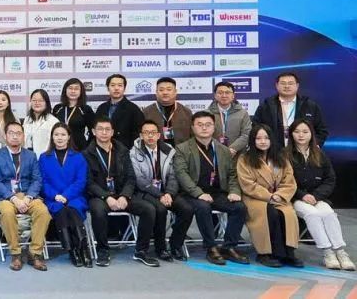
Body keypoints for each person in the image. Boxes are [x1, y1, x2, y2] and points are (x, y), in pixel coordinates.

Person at [173, 111, 250, 266]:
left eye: (208, 125)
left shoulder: (223, 150)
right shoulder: (182, 148)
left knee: (239, 207)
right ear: (192, 127)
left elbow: (232, 174)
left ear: (214, 127)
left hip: (217, 192)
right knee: (203, 207)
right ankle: (211, 248)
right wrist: (199, 193)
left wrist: (234, 191)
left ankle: (228, 247)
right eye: (200, 125)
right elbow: (181, 174)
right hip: (191, 193)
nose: (204, 128)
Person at [84, 117, 158, 267]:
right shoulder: (86, 154)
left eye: (107, 129)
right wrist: (106, 197)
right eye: (100, 129)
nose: (104, 132)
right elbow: (88, 183)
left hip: (122, 194)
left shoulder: (123, 151)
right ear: (93, 132)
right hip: (99, 196)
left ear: (112, 132)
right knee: (98, 211)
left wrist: (125, 196)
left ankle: (141, 251)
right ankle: (103, 250)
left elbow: (131, 178)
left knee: (148, 209)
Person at [287, 118, 354, 270]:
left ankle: (340, 251)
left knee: (328, 213)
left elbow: (330, 179)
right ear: (291, 134)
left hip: (317, 198)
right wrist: (302, 195)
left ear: (311, 134)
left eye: (305, 132)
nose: (301, 135)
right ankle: (328, 252)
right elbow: (284, 182)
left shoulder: (319, 154)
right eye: (297, 132)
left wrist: (316, 196)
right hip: (296, 199)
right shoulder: (285, 155)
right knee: (313, 215)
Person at [237, 124, 301, 267]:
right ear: (252, 140)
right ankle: (266, 253)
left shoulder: (281, 158)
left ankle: (289, 253)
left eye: (266, 138)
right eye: (258, 138)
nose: (263, 141)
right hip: (255, 198)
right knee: (269, 213)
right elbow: (247, 184)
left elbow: (289, 181)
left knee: (287, 214)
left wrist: (279, 195)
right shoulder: (244, 159)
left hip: (279, 197)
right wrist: (269, 196)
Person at [130, 120, 194, 262]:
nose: (150, 136)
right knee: (160, 209)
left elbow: (174, 176)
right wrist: (160, 195)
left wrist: (169, 193)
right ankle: (160, 248)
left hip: (166, 192)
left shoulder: (169, 151)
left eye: (153, 133)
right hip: (145, 192)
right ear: (141, 135)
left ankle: (175, 244)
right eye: (146, 133)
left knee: (187, 209)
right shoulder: (134, 152)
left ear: (159, 135)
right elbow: (139, 180)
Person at [0, 120, 51, 271]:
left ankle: (34, 253)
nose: (15, 136)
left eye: (18, 133)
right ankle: (15, 253)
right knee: (7, 212)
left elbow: (37, 179)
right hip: (6, 197)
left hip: (28, 195)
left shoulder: (30, 155)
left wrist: (29, 197)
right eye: (11, 133)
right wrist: (14, 198)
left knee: (43, 212)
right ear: (5, 136)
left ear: (23, 136)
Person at [39, 123, 91, 267]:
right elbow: (42, 182)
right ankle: (72, 251)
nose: (60, 138)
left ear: (68, 137)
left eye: (63, 134)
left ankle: (83, 249)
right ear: (52, 137)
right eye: (56, 134)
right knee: (61, 211)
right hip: (53, 198)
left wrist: (66, 196)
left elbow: (81, 181)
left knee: (72, 210)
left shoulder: (78, 157)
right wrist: (56, 196)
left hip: (74, 197)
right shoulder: (44, 157)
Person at [253, 72, 329, 148]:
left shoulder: (309, 105)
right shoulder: (266, 106)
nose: (287, 86)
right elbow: (256, 128)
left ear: (297, 85)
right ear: (276, 85)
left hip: (302, 151)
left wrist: (313, 146)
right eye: (283, 83)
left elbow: (321, 130)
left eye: (290, 83)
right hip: (274, 151)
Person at [94, 74, 144, 149]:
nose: (116, 88)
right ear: (108, 88)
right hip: (102, 149)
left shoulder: (133, 109)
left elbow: (138, 135)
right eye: (113, 85)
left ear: (124, 88)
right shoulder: (101, 108)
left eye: (120, 85)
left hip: (125, 151)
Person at [141, 77, 194, 145]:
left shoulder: (186, 112)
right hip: (155, 150)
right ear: (156, 92)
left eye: (169, 89)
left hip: (181, 151)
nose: (165, 92)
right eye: (161, 90)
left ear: (175, 92)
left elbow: (192, 137)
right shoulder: (146, 112)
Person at [207, 81, 253, 155]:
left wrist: (232, 148)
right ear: (215, 95)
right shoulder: (207, 114)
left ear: (233, 95)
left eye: (227, 92)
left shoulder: (242, 113)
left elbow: (246, 134)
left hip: (237, 155)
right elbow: (203, 134)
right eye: (220, 93)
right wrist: (219, 150)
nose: (224, 95)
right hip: (213, 154)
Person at [52, 78, 95, 151]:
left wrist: (87, 147)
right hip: (59, 148)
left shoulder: (85, 109)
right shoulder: (58, 108)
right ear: (65, 90)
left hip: (79, 149)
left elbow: (93, 131)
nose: (73, 91)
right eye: (70, 88)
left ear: (81, 92)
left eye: (76, 89)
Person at [24, 89, 60, 155]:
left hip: (45, 156)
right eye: (34, 100)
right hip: (27, 157)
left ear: (46, 102)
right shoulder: (27, 119)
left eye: (41, 100)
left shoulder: (53, 121)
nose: (37, 103)